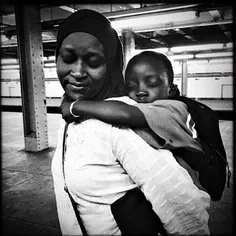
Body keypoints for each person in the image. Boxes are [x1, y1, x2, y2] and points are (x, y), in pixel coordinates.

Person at [51, 9, 210, 236]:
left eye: (93, 61)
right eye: (67, 58)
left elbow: (186, 213)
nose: (77, 72)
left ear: (112, 65)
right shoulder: (69, 112)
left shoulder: (122, 125)